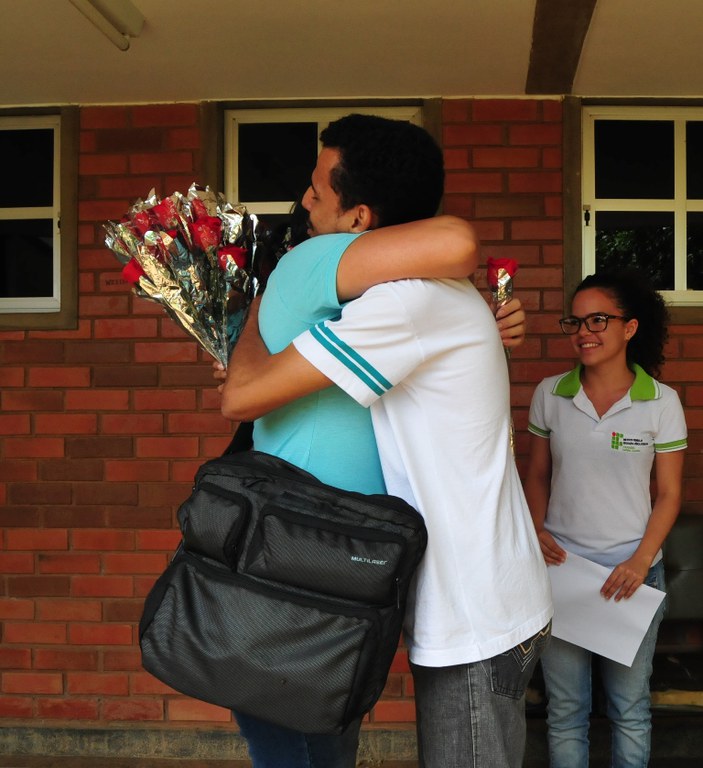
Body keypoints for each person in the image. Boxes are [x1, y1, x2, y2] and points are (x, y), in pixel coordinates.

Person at [217, 113, 552, 768]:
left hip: (474, 610)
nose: (302, 201)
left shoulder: (401, 304)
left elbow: (240, 396)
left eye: (317, 189)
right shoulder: (430, 298)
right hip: (478, 597)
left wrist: (259, 315)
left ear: (359, 219)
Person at [523, 271, 687, 768]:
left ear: (630, 328)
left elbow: (670, 494)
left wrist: (640, 562)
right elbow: (535, 477)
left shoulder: (661, 402)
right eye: (575, 321)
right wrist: (536, 531)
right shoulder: (551, 394)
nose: (584, 332)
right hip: (565, 572)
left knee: (630, 710)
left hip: (630, 578)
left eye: (599, 319)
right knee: (566, 711)